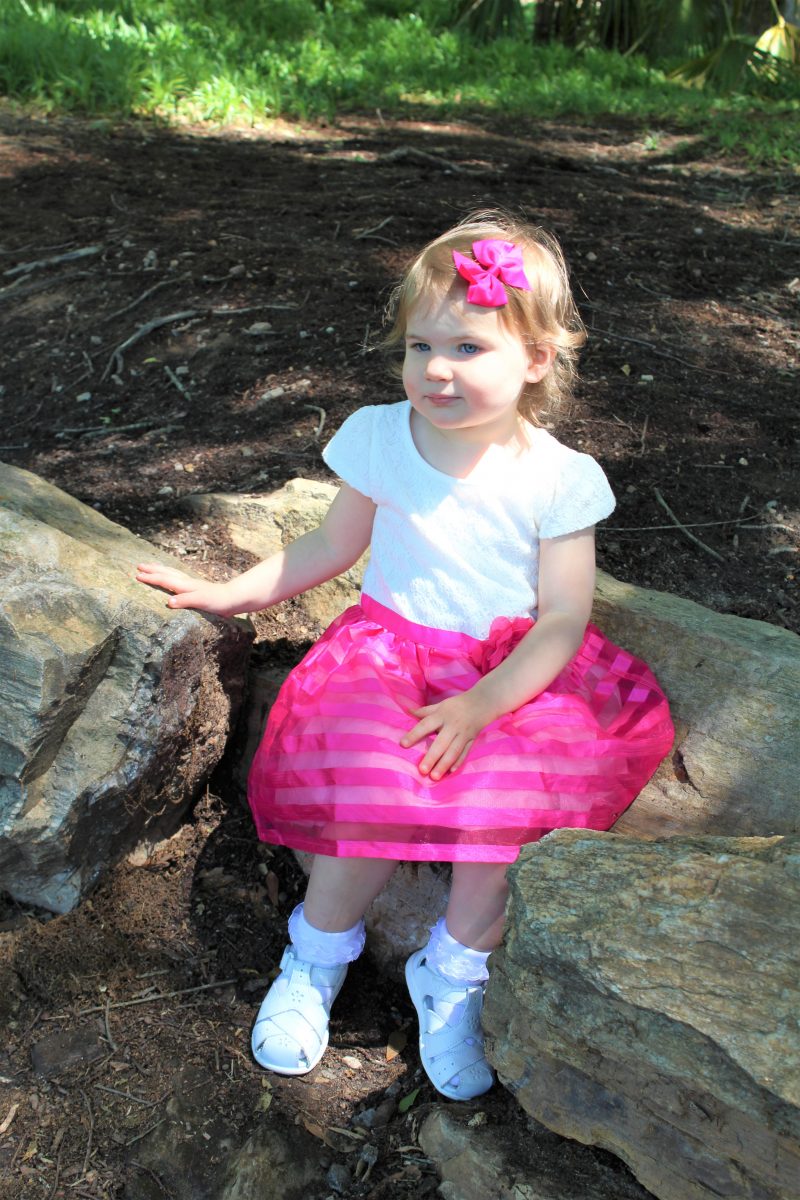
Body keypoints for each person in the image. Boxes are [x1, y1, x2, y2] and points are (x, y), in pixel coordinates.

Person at [136, 211, 674, 1101]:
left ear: (536, 359)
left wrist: (482, 705)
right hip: (387, 656)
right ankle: (316, 956)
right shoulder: (382, 436)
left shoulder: (558, 477)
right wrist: (235, 591)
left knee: (508, 808)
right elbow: (329, 548)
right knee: (368, 785)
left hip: (507, 678)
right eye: (420, 345)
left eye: (467, 347)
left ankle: (453, 974)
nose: (435, 369)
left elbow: (562, 620)